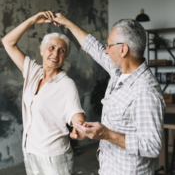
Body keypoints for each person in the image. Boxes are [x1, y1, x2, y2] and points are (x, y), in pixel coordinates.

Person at [52, 14, 166, 175]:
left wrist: (107, 134)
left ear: (123, 49)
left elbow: (152, 146)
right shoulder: (118, 71)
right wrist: (66, 23)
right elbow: (93, 47)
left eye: (109, 45)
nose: (105, 50)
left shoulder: (146, 91)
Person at [2, 11, 86, 175]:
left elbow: (77, 116)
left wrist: (79, 128)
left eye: (61, 50)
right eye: (51, 48)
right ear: (42, 51)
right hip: (31, 152)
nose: (55, 53)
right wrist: (33, 20)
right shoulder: (33, 71)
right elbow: (7, 42)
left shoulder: (66, 85)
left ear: (65, 56)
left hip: (54, 158)